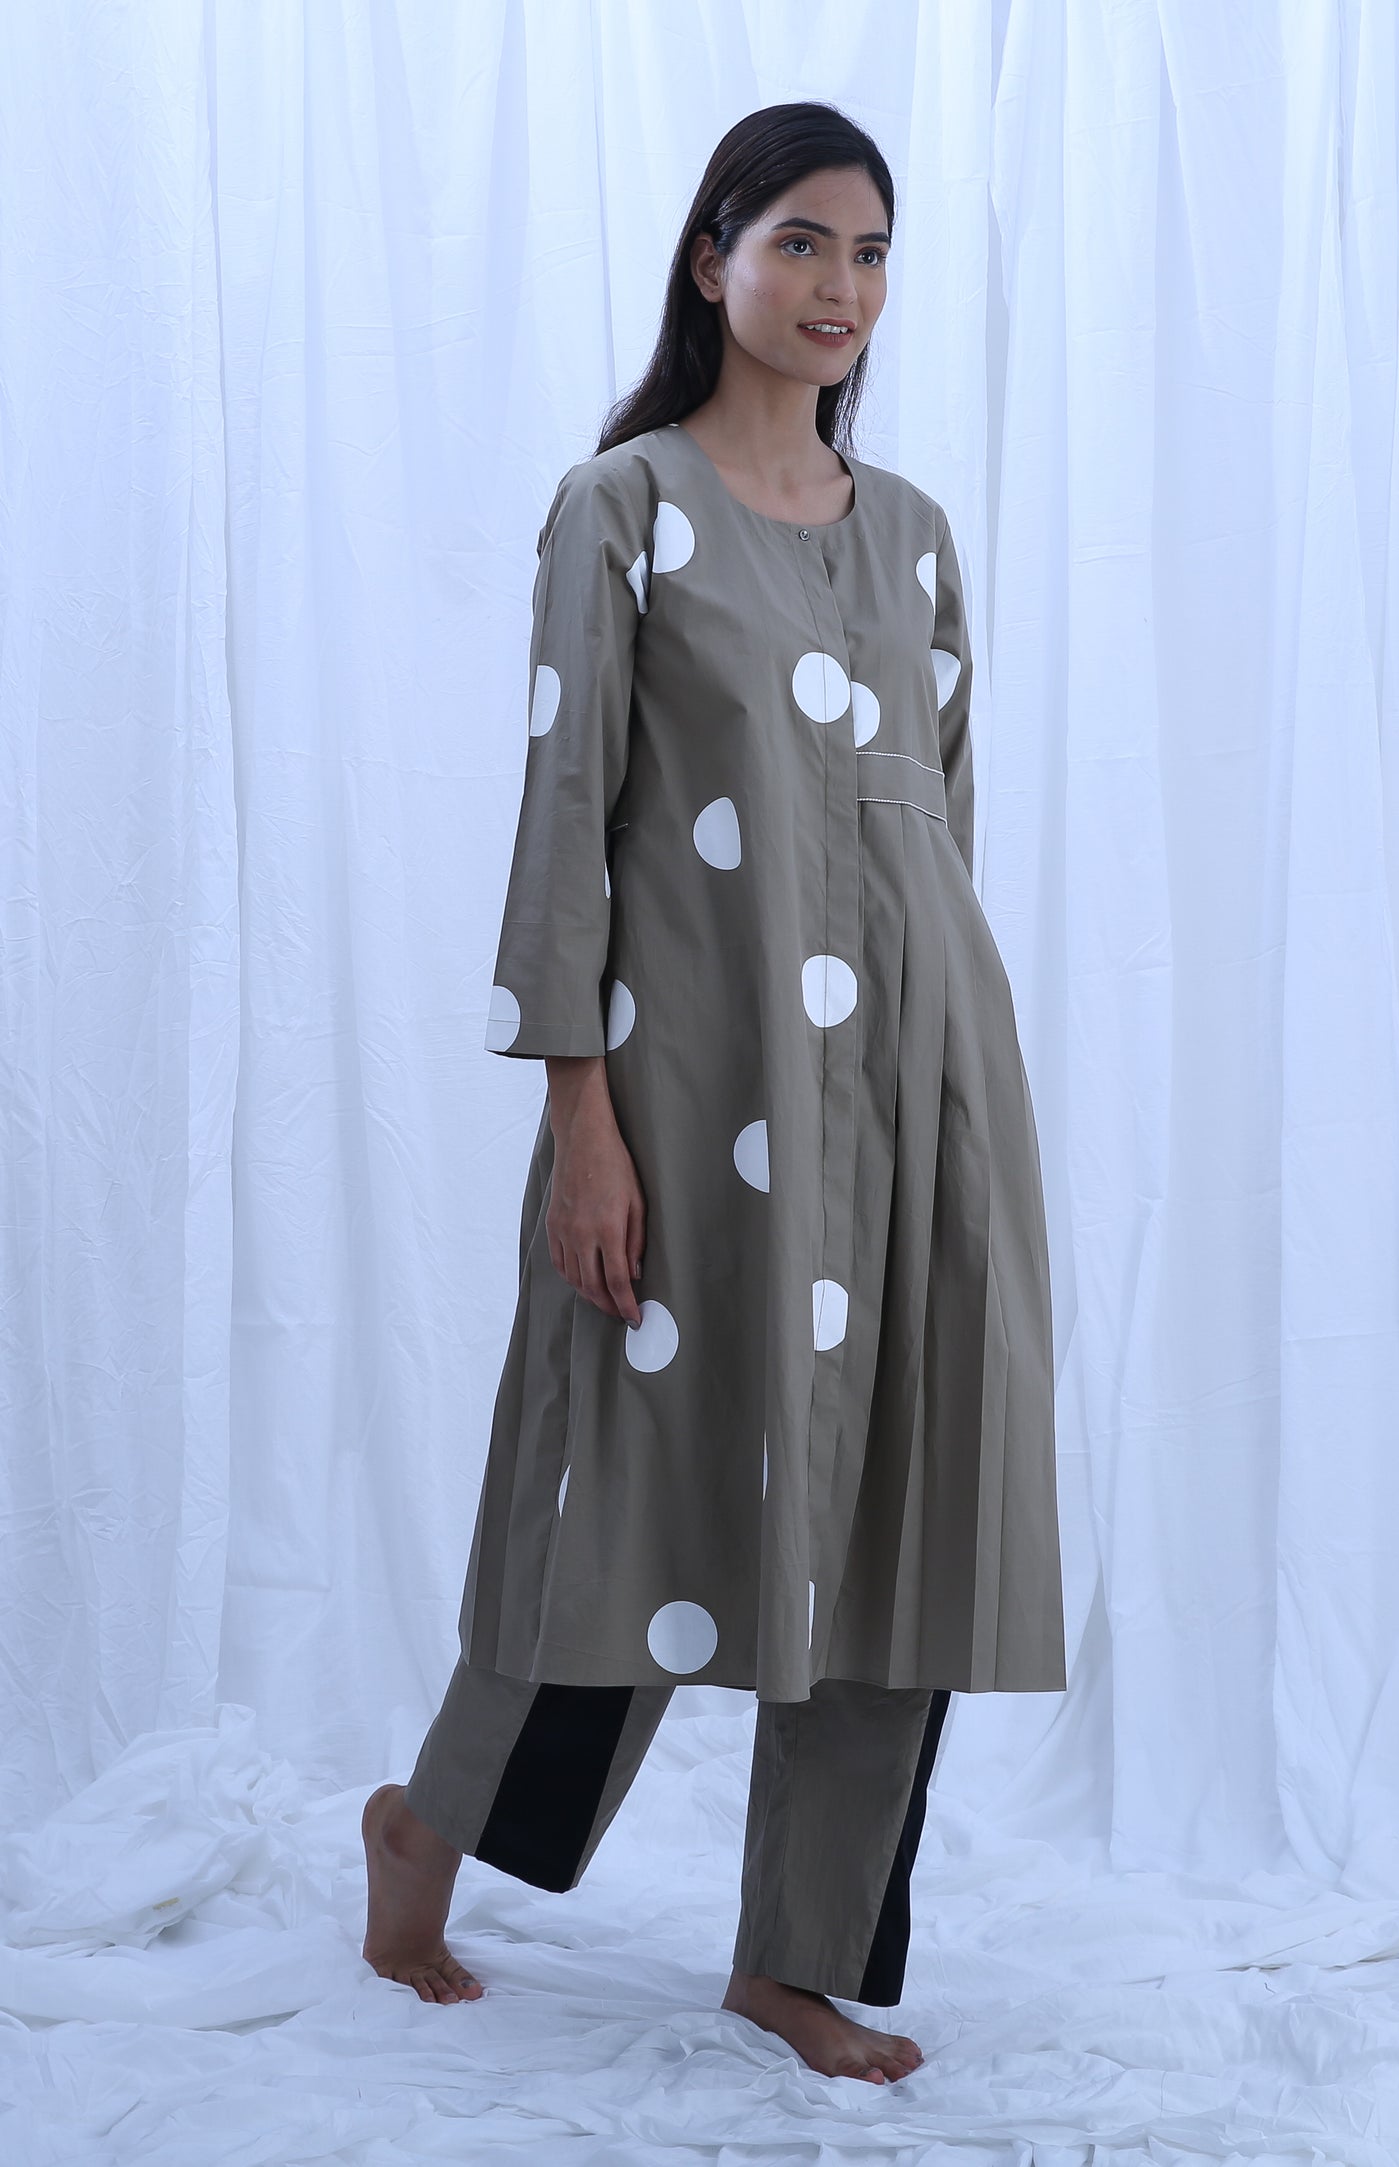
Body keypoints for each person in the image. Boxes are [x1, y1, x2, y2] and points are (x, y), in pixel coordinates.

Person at [362, 99, 1067, 2088]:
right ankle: (425, 1828)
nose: (840, 288)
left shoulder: (911, 537)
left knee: (895, 1513)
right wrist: (580, 1122)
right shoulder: (625, 508)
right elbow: (567, 826)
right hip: (688, 1098)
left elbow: (940, 834)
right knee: (621, 1486)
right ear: (713, 259)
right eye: (799, 244)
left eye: (869, 254)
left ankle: (795, 1958)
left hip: (919, 1104)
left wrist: (949, 1104)